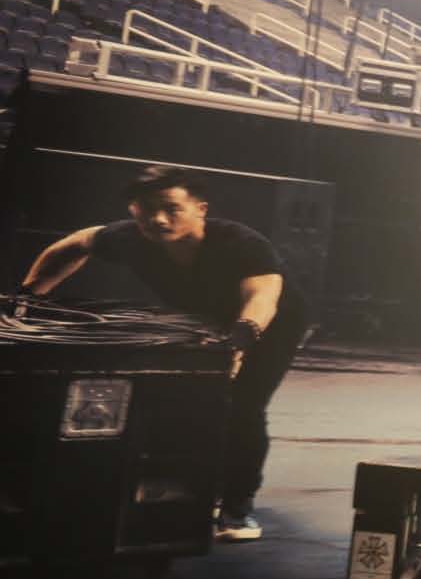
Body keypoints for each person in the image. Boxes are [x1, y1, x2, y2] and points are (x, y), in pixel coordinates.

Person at [17, 166, 310, 542]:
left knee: (243, 406)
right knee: (185, 401)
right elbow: (74, 245)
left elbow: (261, 299)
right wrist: (29, 296)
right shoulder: (129, 238)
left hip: (270, 325)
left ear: (200, 208)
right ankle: (191, 489)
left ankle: (238, 510)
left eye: (171, 208)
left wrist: (237, 347)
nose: (157, 219)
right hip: (205, 319)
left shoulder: (242, 243)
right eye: (145, 211)